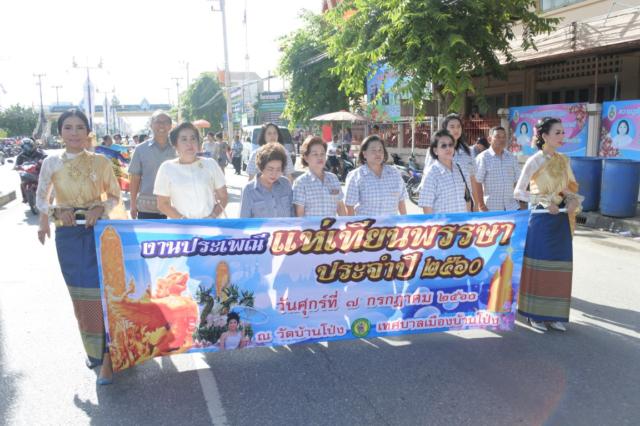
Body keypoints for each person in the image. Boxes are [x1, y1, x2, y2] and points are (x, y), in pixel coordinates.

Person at [35, 109, 122, 385]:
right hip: (68, 237)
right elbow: (41, 199)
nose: (74, 133)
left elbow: (116, 196)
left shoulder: (101, 162)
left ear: (88, 132)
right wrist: (56, 212)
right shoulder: (51, 162)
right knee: (82, 297)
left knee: (104, 293)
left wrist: (99, 207)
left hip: (100, 234)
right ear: (60, 132)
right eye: (68, 128)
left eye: (80, 127)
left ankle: (109, 354)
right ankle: (94, 352)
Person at [514, 117, 583, 333]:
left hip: (560, 220)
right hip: (542, 219)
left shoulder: (564, 160)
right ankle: (534, 315)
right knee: (539, 266)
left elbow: (567, 189)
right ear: (544, 136)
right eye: (557, 133)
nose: (562, 136)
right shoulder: (534, 160)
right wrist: (543, 201)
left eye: (563, 132)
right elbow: (518, 192)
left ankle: (553, 316)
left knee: (559, 266)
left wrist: (571, 199)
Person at [154, 122, 228, 219]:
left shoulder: (210, 164)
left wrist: (212, 216)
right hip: (182, 226)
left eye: (193, 139)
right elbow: (162, 204)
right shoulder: (167, 168)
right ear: (175, 145)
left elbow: (223, 197)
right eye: (184, 139)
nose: (189, 144)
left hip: (209, 225)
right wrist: (183, 221)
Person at [128, 110, 176, 219]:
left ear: (170, 126)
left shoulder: (178, 149)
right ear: (151, 125)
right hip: (147, 208)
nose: (162, 125)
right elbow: (135, 178)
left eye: (165, 122)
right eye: (158, 121)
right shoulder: (140, 149)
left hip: (174, 208)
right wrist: (133, 204)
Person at [344, 135, 407, 216]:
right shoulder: (355, 176)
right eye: (373, 150)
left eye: (380, 150)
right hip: (366, 223)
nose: (378, 153)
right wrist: (353, 224)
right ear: (364, 154)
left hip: (391, 223)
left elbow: (401, 201)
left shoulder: (395, 173)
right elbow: (349, 207)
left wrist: (405, 221)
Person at [418, 130, 471, 214]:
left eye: (450, 145)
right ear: (435, 150)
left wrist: (467, 218)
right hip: (441, 222)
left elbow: (467, 198)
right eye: (443, 146)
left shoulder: (460, 169)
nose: (448, 148)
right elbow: (427, 206)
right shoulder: (431, 174)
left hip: (462, 221)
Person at [293, 136, 346, 217]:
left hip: (332, 225)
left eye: (322, 153)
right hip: (310, 226)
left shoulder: (333, 179)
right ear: (306, 158)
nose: (320, 157)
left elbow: (340, 208)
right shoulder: (300, 183)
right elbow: (299, 215)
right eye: (315, 154)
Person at [240, 142, 293, 218]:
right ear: (261, 167)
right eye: (270, 169)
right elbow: (244, 221)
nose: (274, 173)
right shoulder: (249, 190)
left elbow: (293, 215)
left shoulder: (286, 184)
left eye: (278, 169)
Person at [473, 127, 521, 212]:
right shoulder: (483, 158)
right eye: (498, 137)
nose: (502, 140)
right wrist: (481, 205)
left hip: (511, 207)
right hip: (491, 208)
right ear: (489, 139)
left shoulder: (511, 157)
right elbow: (477, 182)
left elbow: (517, 180)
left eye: (504, 137)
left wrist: (519, 201)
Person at [15, 138, 47, 203]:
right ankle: (25, 198)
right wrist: (16, 167)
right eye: (25, 147)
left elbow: (46, 156)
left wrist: (42, 160)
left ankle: (49, 194)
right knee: (22, 184)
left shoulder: (39, 152)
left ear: (33, 145)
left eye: (29, 146)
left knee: (47, 181)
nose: (27, 148)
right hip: (26, 172)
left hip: (38, 171)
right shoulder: (21, 156)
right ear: (22, 147)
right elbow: (17, 164)